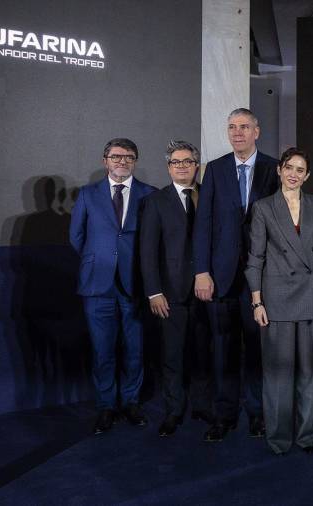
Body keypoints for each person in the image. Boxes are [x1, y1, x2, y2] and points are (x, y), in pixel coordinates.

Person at [193, 108, 279, 441]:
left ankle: (258, 413)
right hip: (221, 277)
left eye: (244, 127)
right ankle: (224, 414)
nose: (237, 132)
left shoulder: (274, 168)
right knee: (223, 348)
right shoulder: (214, 170)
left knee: (258, 349)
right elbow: (203, 225)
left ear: (257, 131)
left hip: (261, 279)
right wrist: (202, 270)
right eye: (232, 127)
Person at [244, 147, 313, 455]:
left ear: (306, 176)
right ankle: (279, 438)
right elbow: (255, 257)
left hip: (311, 293)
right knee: (278, 373)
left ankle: (309, 435)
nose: (294, 174)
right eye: (290, 167)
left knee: (311, 372)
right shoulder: (263, 208)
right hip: (276, 297)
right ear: (280, 170)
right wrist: (257, 301)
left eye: (300, 169)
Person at [69, 138, 156, 434]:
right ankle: (106, 405)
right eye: (116, 156)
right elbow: (76, 237)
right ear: (105, 160)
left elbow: (153, 241)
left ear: (135, 161)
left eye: (129, 156)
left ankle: (131, 402)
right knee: (102, 350)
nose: (122, 161)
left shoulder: (149, 195)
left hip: (135, 284)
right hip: (97, 284)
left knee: (134, 349)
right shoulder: (87, 194)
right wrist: (100, 261)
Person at [139, 140, 213, 437]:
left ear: (197, 165)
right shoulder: (156, 201)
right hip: (170, 293)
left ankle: (202, 405)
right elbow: (147, 251)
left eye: (187, 161)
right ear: (168, 167)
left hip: (207, 291)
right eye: (175, 162)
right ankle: (173, 410)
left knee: (203, 354)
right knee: (172, 356)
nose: (181, 166)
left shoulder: (209, 196)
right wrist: (154, 291)